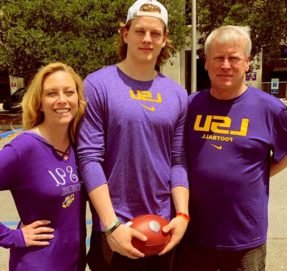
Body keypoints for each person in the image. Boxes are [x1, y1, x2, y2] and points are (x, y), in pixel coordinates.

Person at [76, 0, 190, 270]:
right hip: (117, 229)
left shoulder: (177, 94)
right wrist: (110, 224)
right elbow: (89, 158)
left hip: (162, 228)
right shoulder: (97, 85)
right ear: (125, 33)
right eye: (140, 31)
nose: (147, 39)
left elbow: (178, 160)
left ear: (165, 40)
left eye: (156, 33)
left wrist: (183, 215)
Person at [175, 25, 287, 271]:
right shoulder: (189, 106)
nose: (226, 65)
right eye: (218, 58)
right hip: (194, 234)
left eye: (234, 58)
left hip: (245, 237)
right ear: (206, 62)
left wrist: (258, 175)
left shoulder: (270, 109)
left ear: (247, 63)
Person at [0, 62, 86, 270]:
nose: (62, 100)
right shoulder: (23, 148)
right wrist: (12, 237)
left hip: (74, 263)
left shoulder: (79, 145)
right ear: (39, 102)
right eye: (51, 94)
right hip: (36, 263)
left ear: (77, 98)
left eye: (69, 92)